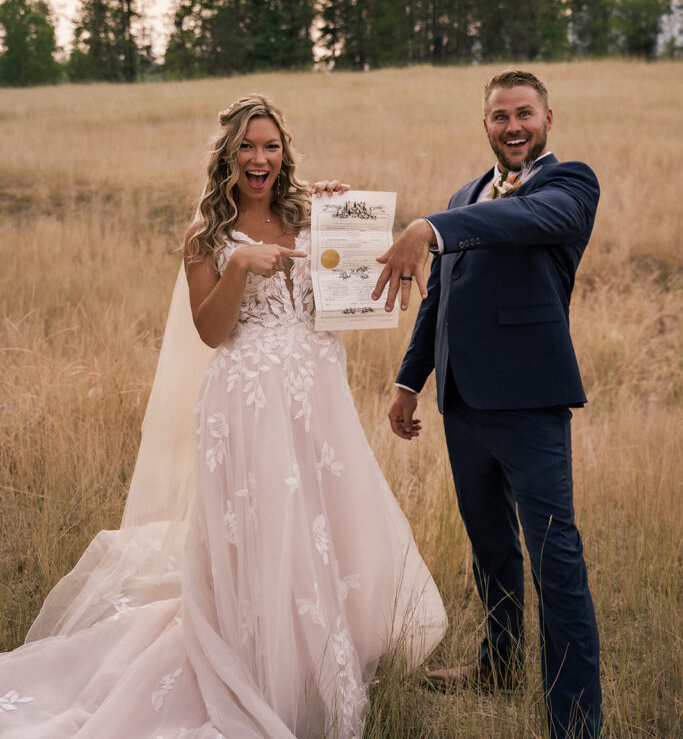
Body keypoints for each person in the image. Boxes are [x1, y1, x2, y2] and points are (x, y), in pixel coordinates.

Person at [0, 95, 446, 739]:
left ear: (284, 153)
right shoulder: (206, 237)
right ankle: (256, 661)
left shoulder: (311, 216)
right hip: (247, 403)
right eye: (247, 147)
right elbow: (210, 332)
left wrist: (346, 220)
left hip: (317, 396)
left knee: (324, 522)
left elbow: (351, 302)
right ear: (228, 157)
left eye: (270, 147)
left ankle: (324, 655)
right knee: (264, 528)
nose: (260, 158)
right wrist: (238, 264)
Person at [372, 70, 602, 739]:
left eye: (523, 113)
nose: (511, 126)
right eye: (499, 116)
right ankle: (498, 665)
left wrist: (428, 227)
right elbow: (439, 301)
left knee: (554, 561)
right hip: (463, 405)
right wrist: (410, 379)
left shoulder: (569, 186)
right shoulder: (462, 195)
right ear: (485, 125)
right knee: (490, 548)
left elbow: (522, 220)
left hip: (530, 407)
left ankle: (574, 721)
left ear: (547, 119)